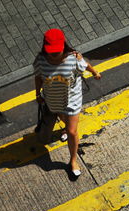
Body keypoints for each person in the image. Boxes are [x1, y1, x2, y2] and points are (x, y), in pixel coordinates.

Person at [33, 28, 101, 176]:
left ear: (63, 46)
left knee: (72, 131)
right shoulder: (40, 61)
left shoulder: (73, 59)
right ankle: (64, 128)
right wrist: (37, 93)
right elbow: (38, 77)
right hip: (52, 98)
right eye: (52, 51)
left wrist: (94, 72)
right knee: (63, 118)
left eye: (57, 51)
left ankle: (73, 160)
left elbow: (85, 65)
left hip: (72, 99)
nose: (55, 54)